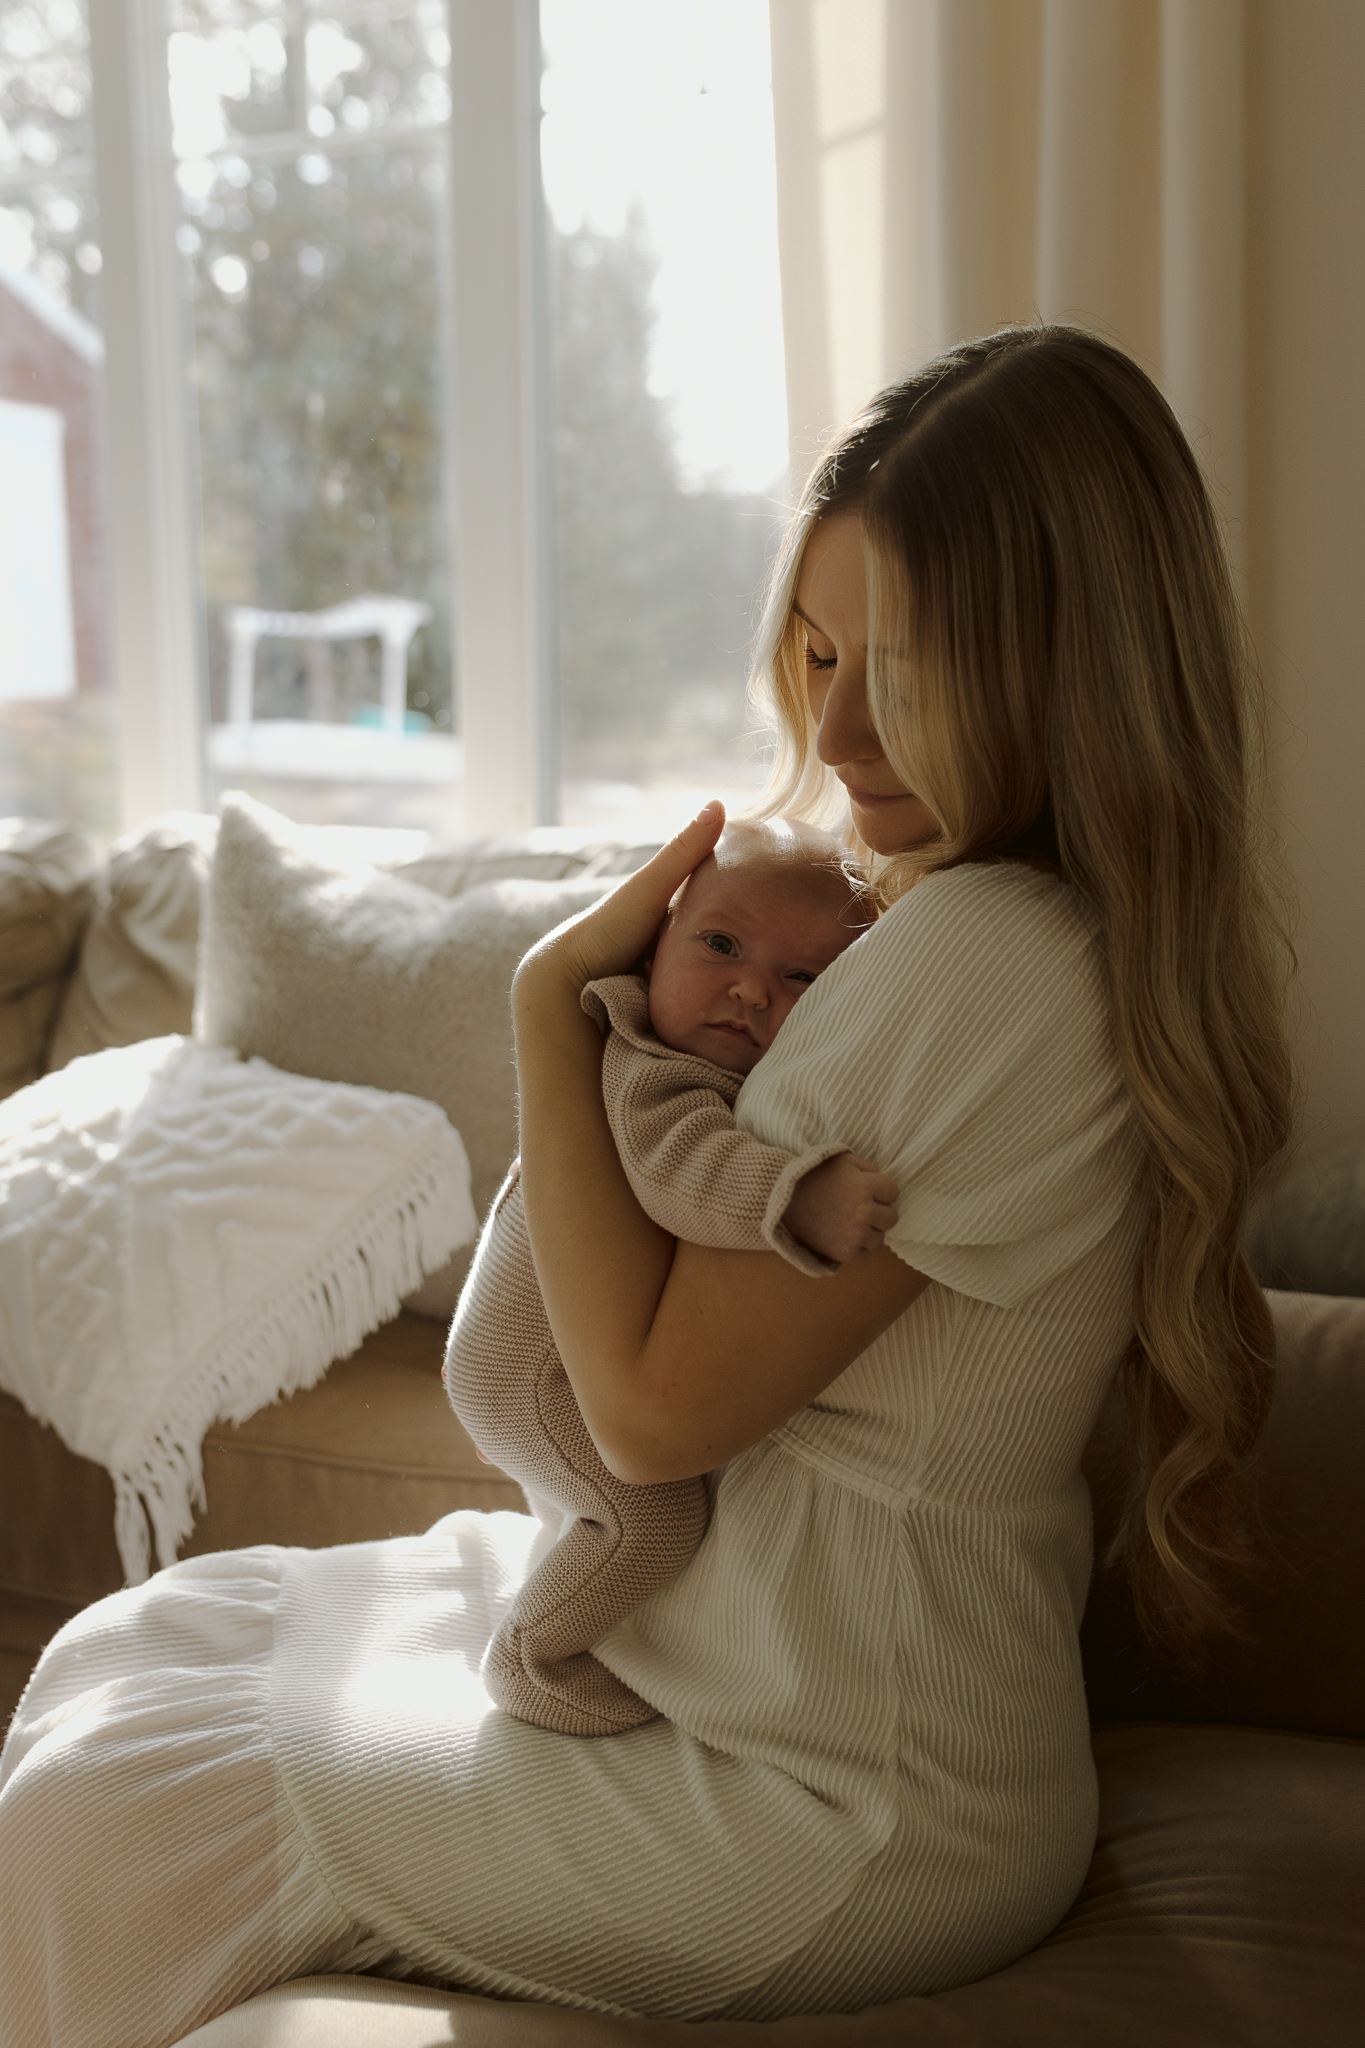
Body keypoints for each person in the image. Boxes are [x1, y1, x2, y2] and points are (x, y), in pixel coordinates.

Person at [0, 326, 1292, 2044]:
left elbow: (649, 1413)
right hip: (737, 1667)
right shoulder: (945, 911)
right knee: (150, 1645)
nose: (829, 724)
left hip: (831, 1793)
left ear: (1068, 663)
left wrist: (551, 1003)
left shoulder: (986, 960)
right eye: (817, 648)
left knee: (126, 1794)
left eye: (900, 664)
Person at [448, 817, 897, 1738]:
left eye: (801, 976)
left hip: (535, 1361)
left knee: (594, 1503)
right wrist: (792, 1196)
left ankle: (566, 1591)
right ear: (656, 940)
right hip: (535, 1372)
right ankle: (534, 1661)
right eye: (721, 945)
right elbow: (676, 1173)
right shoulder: (650, 1069)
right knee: (650, 1526)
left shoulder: (681, 1054)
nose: (748, 989)